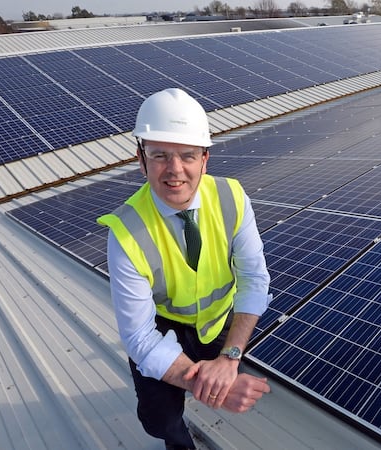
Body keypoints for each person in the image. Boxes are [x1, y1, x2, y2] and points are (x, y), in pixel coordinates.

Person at [98, 88, 272, 449]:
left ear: (205, 159)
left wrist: (230, 359)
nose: (175, 171)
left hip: (219, 326)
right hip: (164, 328)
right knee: (159, 420)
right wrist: (208, 387)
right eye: (160, 155)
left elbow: (254, 279)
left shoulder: (232, 197)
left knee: (218, 370)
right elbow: (139, 338)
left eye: (187, 156)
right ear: (141, 158)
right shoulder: (125, 232)